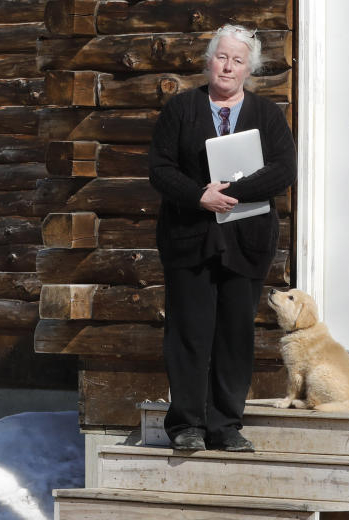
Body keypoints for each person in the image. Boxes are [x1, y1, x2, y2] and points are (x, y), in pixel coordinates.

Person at [148, 24, 296, 452]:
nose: (228, 66)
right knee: (189, 332)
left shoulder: (267, 115)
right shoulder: (180, 109)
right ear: (209, 60)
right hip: (189, 238)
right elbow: (160, 169)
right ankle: (187, 425)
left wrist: (230, 193)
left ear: (250, 68)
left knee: (235, 333)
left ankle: (226, 425)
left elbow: (284, 169)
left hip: (246, 240)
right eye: (221, 57)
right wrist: (198, 196)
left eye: (237, 60)